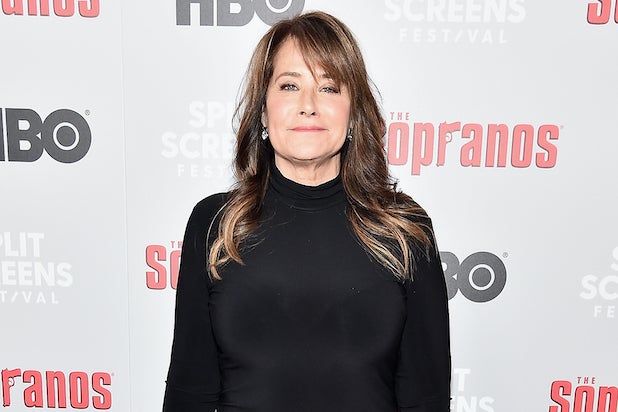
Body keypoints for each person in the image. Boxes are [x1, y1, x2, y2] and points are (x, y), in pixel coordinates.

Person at [163, 11, 450, 412]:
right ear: (263, 111)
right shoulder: (216, 224)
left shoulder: (404, 228)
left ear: (354, 112)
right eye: (289, 85)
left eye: (329, 87)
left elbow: (426, 399)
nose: (308, 106)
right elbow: (189, 392)